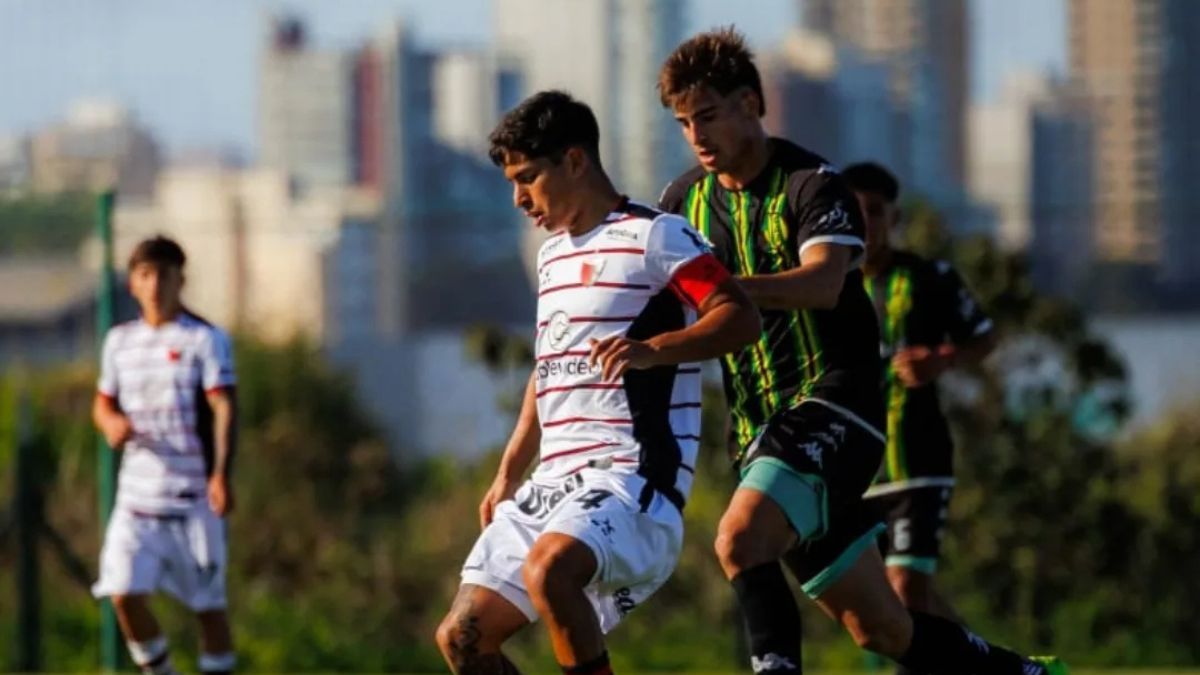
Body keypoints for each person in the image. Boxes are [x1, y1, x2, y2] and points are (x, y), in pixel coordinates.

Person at [657, 28, 1064, 675]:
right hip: (759, 434)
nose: (696, 135)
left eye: (706, 115)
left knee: (738, 538)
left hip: (836, 407)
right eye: (682, 123)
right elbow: (661, 300)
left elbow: (823, 282)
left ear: (751, 104)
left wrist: (725, 290)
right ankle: (1024, 673)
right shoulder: (682, 204)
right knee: (881, 627)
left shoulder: (814, 185)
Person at [434, 90, 761, 675]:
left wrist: (653, 350)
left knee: (549, 571)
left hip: (631, 484)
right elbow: (549, 364)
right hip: (551, 485)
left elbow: (739, 315)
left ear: (577, 161)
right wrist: (510, 469)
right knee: (461, 638)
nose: (518, 199)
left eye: (529, 178)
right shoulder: (551, 255)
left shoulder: (659, 237)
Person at [843, 162, 996, 672]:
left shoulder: (930, 278)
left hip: (918, 461)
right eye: (855, 213)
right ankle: (996, 666)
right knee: (884, 605)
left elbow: (986, 337)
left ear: (894, 217)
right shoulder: (826, 290)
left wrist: (942, 359)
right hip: (854, 471)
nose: (866, 224)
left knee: (907, 590)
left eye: (876, 213)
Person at [92, 235, 238, 675]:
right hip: (136, 502)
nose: (155, 285)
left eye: (164, 275)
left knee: (208, 608)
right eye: (145, 275)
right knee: (122, 593)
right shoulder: (119, 342)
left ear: (180, 281)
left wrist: (220, 473)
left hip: (193, 501)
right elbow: (102, 402)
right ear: (133, 283)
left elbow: (224, 404)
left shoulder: (205, 339)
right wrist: (110, 422)